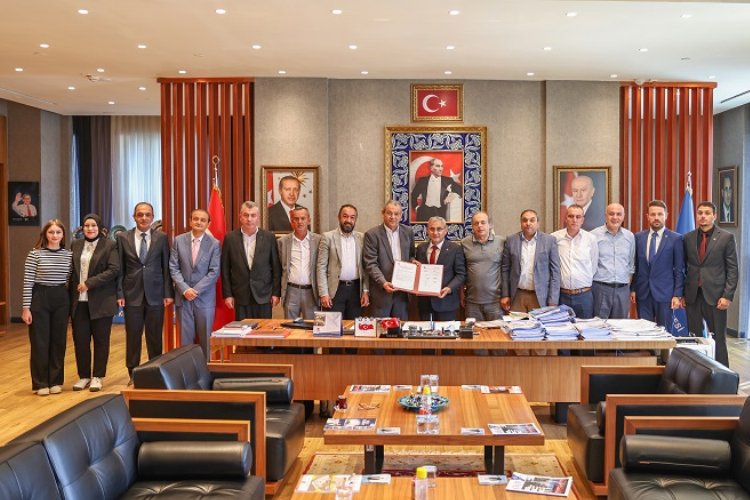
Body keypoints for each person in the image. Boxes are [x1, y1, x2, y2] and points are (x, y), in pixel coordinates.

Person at [117, 202, 174, 381]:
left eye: (147, 214)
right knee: (133, 337)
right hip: (131, 294)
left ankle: (154, 372)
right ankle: (132, 373)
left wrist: (168, 293)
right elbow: (120, 268)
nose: (143, 218)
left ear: (152, 217)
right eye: (140, 214)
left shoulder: (161, 238)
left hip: (156, 295)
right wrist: (120, 293)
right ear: (134, 217)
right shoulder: (122, 237)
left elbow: (166, 267)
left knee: (154, 337)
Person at [683, 201, 738, 367]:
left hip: (716, 297)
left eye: (707, 213)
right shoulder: (688, 238)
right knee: (695, 338)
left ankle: (723, 375)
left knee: (718, 338)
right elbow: (684, 267)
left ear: (714, 216)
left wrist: (727, 295)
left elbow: (733, 269)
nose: (703, 216)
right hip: (693, 295)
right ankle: (697, 372)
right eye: (700, 213)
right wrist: (683, 294)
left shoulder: (726, 238)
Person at [21, 219, 72, 396]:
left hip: (61, 297)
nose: (55, 235)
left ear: (63, 235)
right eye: (51, 232)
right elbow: (28, 282)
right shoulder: (35, 254)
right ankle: (40, 383)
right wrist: (26, 308)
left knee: (58, 342)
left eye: (58, 232)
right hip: (40, 297)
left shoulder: (68, 255)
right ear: (45, 234)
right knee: (40, 342)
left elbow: (69, 279)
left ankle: (56, 381)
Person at [70, 213, 119, 392]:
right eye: (86, 225)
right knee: (80, 340)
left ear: (100, 228)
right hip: (79, 302)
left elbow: (114, 270)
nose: (90, 229)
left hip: (101, 300)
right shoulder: (75, 244)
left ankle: (98, 376)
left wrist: (89, 283)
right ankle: (83, 376)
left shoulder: (110, 245)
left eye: (93, 225)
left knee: (101, 340)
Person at [170, 209, 221, 359]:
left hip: (204, 299)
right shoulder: (178, 240)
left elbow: (214, 271)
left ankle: (204, 369)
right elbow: (173, 268)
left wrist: (195, 290)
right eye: (196, 219)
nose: (199, 222)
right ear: (190, 221)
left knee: (205, 340)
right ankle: (186, 371)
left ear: (208, 224)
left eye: (203, 220)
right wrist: (185, 290)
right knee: (185, 341)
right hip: (184, 298)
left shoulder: (214, 244)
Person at [222, 201, 281, 319]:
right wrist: (228, 295)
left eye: (253, 215)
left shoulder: (269, 237)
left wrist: (276, 293)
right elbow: (225, 269)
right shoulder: (230, 238)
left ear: (258, 217)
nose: (249, 219)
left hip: (263, 295)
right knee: (242, 329)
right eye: (246, 215)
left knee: (263, 329)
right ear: (240, 217)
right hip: (240, 295)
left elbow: (276, 268)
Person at [631, 200, 684, 328]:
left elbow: (679, 269)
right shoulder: (638, 237)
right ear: (647, 216)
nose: (656, 217)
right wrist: (633, 289)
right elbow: (636, 266)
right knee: (644, 331)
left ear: (666, 216)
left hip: (665, 294)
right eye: (653, 214)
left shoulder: (676, 239)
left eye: (660, 214)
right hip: (643, 293)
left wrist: (677, 294)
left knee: (664, 332)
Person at [363, 200, 415, 319]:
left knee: (401, 327)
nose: (393, 217)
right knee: (380, 328)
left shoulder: (408, 232)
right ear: (383, 213)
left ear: (401, 216)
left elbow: (411, 255)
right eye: (389, 213)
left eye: (396, 214)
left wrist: (413, 261)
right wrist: (383, 282)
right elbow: (370, 264)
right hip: (381, 292)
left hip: (402, 292)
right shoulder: (372, 234)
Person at [500, 209, 560, 313]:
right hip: (517, 295)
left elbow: (555, 272)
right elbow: (505, 269)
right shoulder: (511, 240)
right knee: (516, 323)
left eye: (532, 220)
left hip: (540, 297)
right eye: (525, 220)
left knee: (539, 323)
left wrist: (553, 299)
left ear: (538, 223)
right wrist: (505, 294)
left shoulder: (549, 241)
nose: (528, 223)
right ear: (521, 223)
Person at [317, 204, 370, 319]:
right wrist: (324, 293)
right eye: (345, 216)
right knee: (333, 326)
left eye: (352, 217)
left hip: (356, 290)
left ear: (355, 219)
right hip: (335, 290)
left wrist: (365, 290)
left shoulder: (362, 238)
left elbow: (366, 268)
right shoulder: (327, 237)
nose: (348, 220)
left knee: (353, 326)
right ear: (339, 217)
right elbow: (321, 267)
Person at [414, 217, 466, 320]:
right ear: (427, 230)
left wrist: (449, 288)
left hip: (446, 303)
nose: (435, 232)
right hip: (425, 304)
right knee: (425, 330)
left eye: (439, 229)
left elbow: (461, 274)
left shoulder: (455, 249)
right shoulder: (421, 248)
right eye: (432, 229)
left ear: (445, 230)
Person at [552, 204, 598, 319]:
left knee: (586, 328)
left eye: (578, 217)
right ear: (565, 218)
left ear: (582, 220)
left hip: (584, 296)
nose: (574, 220)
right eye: (571, 216)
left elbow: (593, 266)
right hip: (561, 295)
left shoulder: (590, 239)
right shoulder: (554, 238)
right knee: (561, 328)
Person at [591, 203, 635, 319]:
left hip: (622, 290)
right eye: (611, 214)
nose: (615, 217)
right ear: (605, 216)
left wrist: (626, 287)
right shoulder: (593, 236)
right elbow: (589, 264)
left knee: (620, 326)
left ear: (623, 216)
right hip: (600, 289)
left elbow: (631, 265)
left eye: (618, 214)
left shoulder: (629, 237)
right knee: (599, 326)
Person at [278, 207, 321, 319]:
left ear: (309, 220)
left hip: (311, 291)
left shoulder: (319, 240)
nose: (300, 222)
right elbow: (279, 268)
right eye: (296, 219)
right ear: (291, 221)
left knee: (311, 326)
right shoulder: (283, 242)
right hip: (291, 291)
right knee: (289, 325)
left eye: (303, 218)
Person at [461, 212, 503, 320]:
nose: (479, 226)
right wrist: (461, 294)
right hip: (472, 302)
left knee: (497, 331)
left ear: (490, 225)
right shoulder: (464, 243)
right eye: (476, 223)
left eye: (483, 222)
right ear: (472, 226)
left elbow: (507, 269)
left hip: (495, 302)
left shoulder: (502, 242)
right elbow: (461, 272)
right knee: (474, 331)